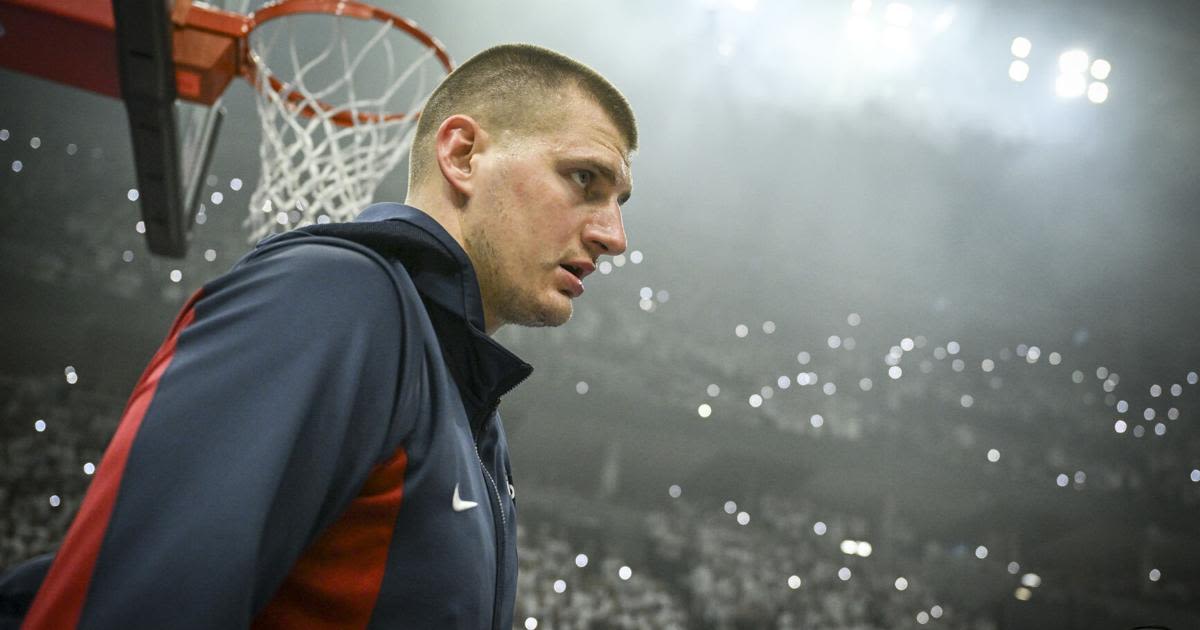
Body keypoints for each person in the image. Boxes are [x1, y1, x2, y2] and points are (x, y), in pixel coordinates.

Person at [12, 43, 636, 629]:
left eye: (620, 202)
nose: (614, 235)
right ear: (463, 154)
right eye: (585, 179)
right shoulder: (337, 297)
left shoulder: (469, 406)